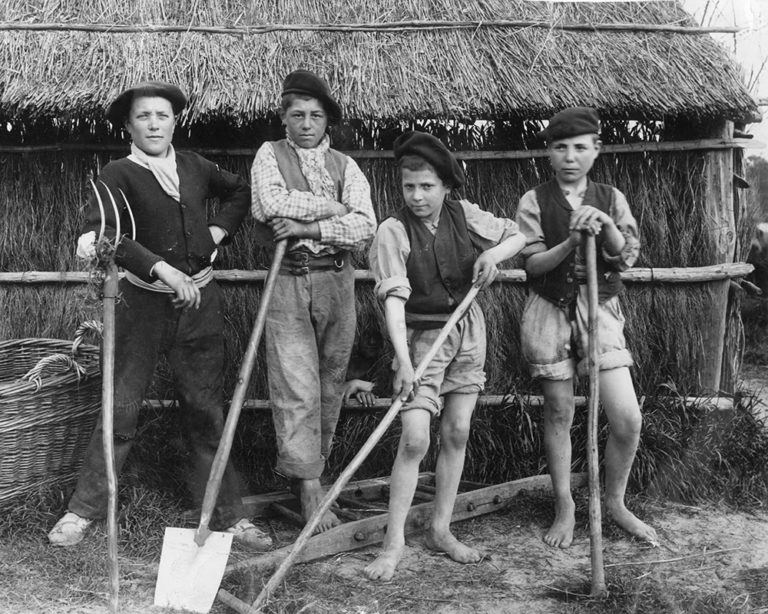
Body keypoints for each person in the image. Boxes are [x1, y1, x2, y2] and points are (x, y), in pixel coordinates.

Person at [48, 81, 271, 550]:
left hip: (200, 307)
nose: (154, 124)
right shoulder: (117, 175)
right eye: (143, 117)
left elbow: (240, 192)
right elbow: (100, 238)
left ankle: (228, 514)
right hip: (142, 307)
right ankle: (82, 511)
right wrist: (162, 268)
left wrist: (216, 232)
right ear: (128, 126)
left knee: (205, 410)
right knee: (121, 408)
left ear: (174, 122)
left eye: (162, 115)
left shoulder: (195, 166)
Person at [364, 131, 526, 581]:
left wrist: (493, 256)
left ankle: (440, 529)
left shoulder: (463, 213)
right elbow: (394, 304)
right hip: (420, 340)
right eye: (409, 187)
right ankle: (393, 543)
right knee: (415, 438)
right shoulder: (392, 231)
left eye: (427, 187)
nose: (417, 196)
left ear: (446, 186)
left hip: (468, 331)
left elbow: (518, 236)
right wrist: (405, 362)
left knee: (457, 431)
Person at [516, 107, 658, 548]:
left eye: (580, 148)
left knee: (627, 418)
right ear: (549, 152)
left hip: (600, 311)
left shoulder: (611, 197)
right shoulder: (534, 201)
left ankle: (614, 502)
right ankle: (565, 506)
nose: (570, 157)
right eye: (560, 148)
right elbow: (533, 265)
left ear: (596, 150)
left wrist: (606, 225)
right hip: (549, 310)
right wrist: (572, 241)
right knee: (559, 411)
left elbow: (625, 256)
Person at [250, 69, 377, 532]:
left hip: (337, 280)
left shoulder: (346, 166)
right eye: (298, 115)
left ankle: (313, 473)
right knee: (295, 384)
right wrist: (333, 208)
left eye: (316, 116)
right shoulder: (269, 154)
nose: (307, 124)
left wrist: (310, 225)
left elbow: (364, 226)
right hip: (289, 277)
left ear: (328, 121)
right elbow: (269, 205)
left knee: (329, 381)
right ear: (284, 118)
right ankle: (306, 486)